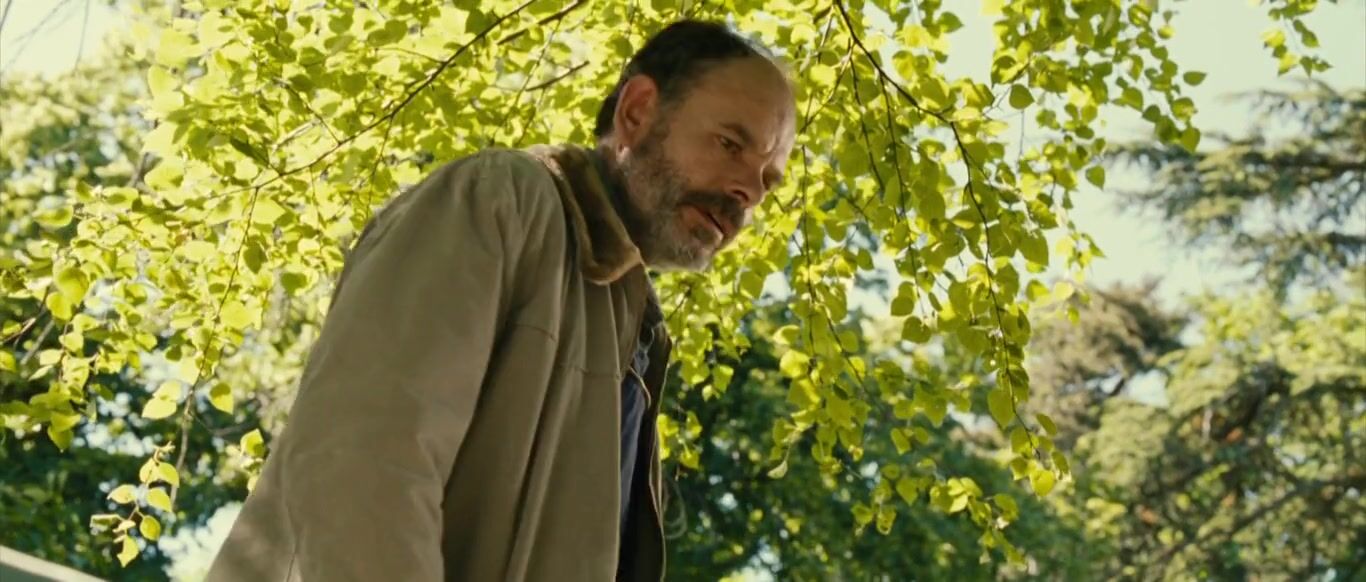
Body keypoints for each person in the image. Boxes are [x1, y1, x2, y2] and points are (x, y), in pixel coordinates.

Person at [206, 18, 796, 582]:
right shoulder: (503, 202)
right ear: (637, 111)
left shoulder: (629, 322)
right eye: (730, 144)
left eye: (767, 179)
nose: (747, 190)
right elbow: (362, 460)